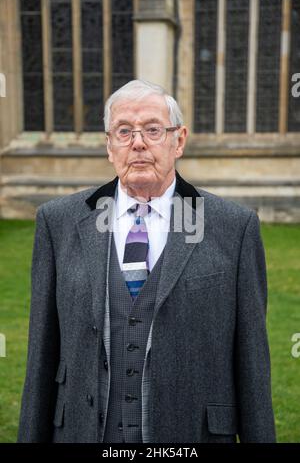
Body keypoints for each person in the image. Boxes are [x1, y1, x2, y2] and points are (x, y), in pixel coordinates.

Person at [18, 79, 276, 443]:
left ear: (179, 140)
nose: (137, 142)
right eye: (124, 131)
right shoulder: (57, 222)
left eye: (153, 129)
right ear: (109, 146)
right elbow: (40, 355)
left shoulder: (233, 226)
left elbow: (252, 365)